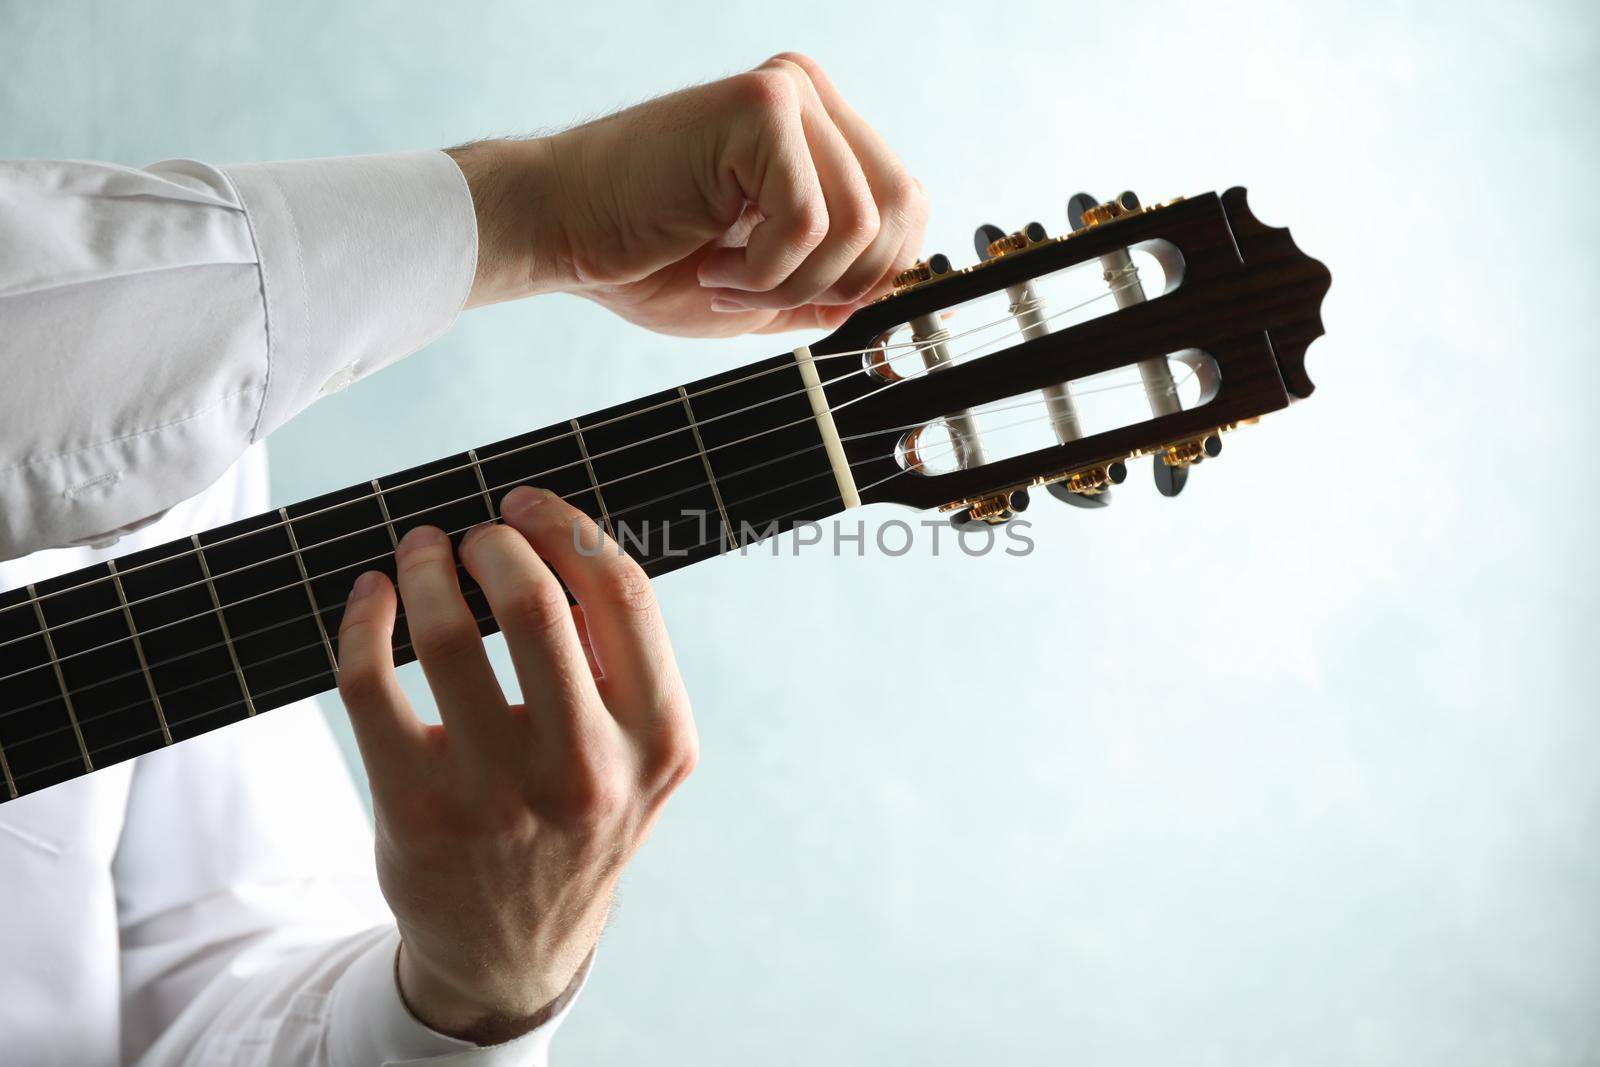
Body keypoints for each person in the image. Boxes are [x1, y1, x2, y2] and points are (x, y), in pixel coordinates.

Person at [0, 53, 928, 1064]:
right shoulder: (159, 433)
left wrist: (469, 996)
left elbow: (209, 962)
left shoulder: (158, 459)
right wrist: (527, 213)